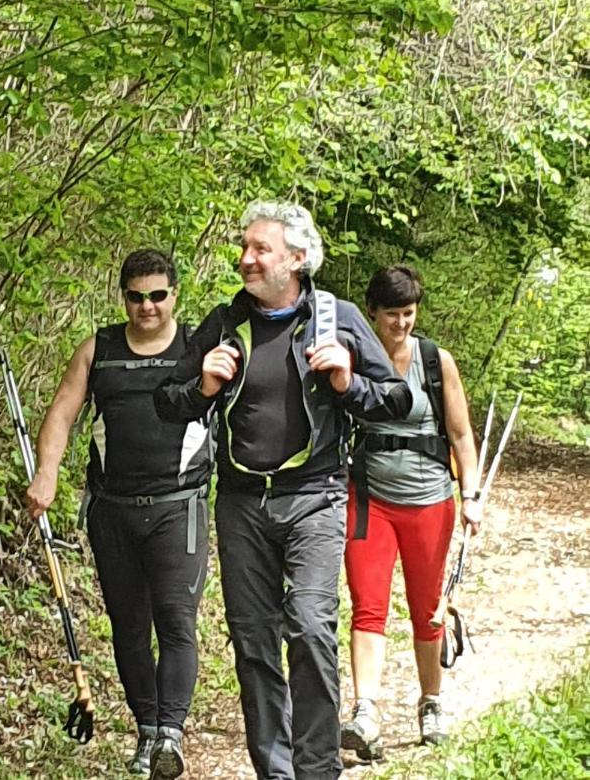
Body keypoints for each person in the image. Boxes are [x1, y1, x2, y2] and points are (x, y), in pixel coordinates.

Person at [154, 202, 412, 780]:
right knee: (252, 639)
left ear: (296, 259)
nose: (245, 259)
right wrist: (201, 387)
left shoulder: (336, 318)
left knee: (312, 625)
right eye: (245, 248)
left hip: (315, 496)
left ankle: (317, 769)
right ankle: (276, 769)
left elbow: (398, 402)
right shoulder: (223, 324)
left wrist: (348, 383)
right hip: (242, 502)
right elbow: (166, 404)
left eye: (259, 249)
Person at [25, 249, 212, 780]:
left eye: (157, 295)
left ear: (175, 294)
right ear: (123, 297)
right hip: (113, 511)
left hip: (181, 508)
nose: (147, 306)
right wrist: (48, 472)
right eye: (136, 296)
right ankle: (148, 731)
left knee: (177, 621)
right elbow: (62, 412)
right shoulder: (98, 349)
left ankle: (171, 735)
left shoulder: (199, 347)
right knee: (129, 627)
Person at [339, 265, 481, 760]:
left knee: (427, 608)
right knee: (367, 604)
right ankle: (365, 710)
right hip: (369, 500)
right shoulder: (352, 360)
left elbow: (461, 435)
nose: (401, 322)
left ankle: (431, 702)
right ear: (372, 313)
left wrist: (473, 495)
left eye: (409, 312)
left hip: (430, 503)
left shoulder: (434, 361)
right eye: (392, 313)